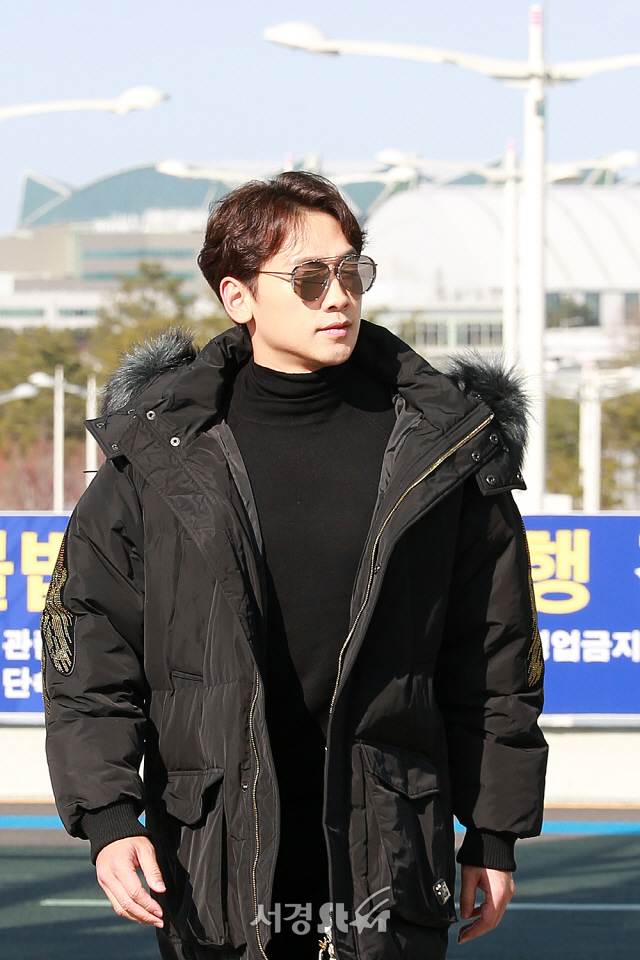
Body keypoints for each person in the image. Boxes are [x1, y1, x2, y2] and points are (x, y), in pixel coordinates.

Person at [42, 171, 548, 960]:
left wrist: (493, 831)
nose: (338, 295)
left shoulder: (441, 449)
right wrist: (108, 817)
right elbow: (89, 653)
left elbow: (493, 656)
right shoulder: (157, 457)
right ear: (237, 296)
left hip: (389, 848)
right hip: (213, 852)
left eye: (351, 272)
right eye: (309, 278)